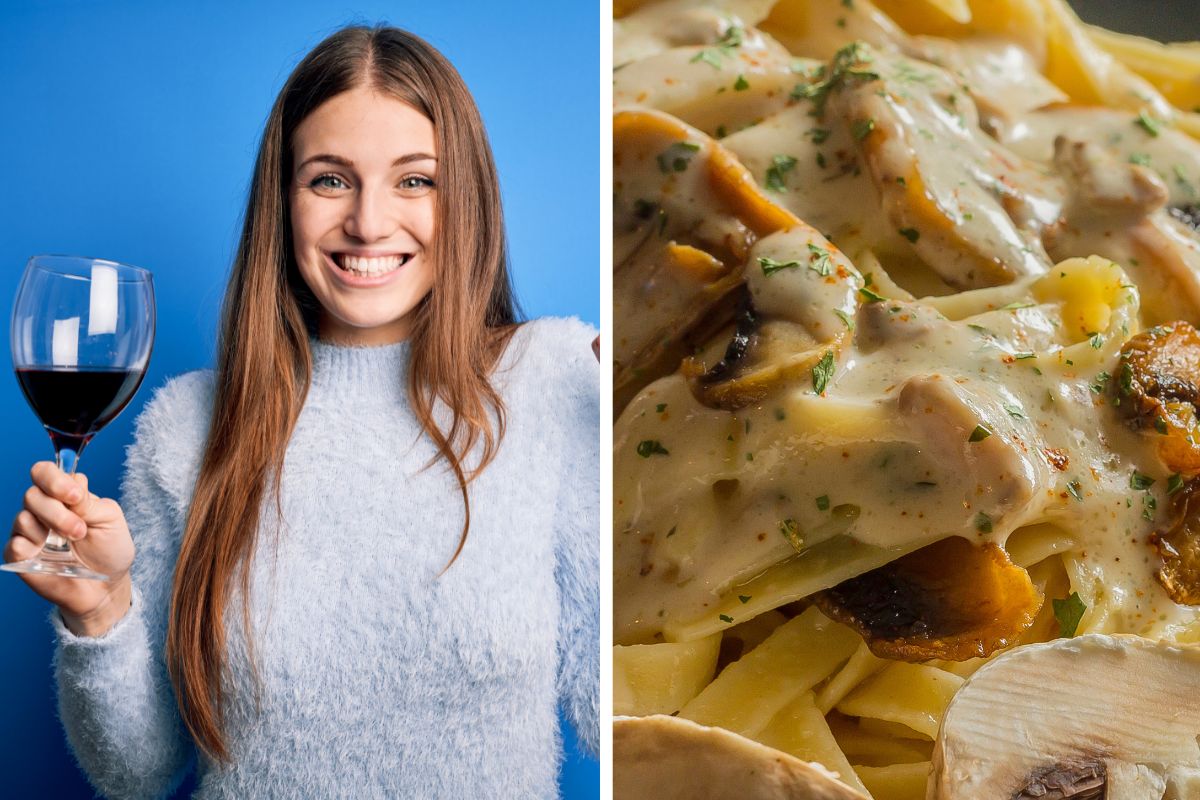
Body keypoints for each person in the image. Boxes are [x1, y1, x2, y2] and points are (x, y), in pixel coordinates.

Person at [4, 25, 598, 798]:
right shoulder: (187, 426)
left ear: (468, 200)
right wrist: (99, 610)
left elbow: (609, 706)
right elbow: (138, 772)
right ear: (281, 202)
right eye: (330, 180)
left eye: (416, 181)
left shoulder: (555, 378)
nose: (370, 223)